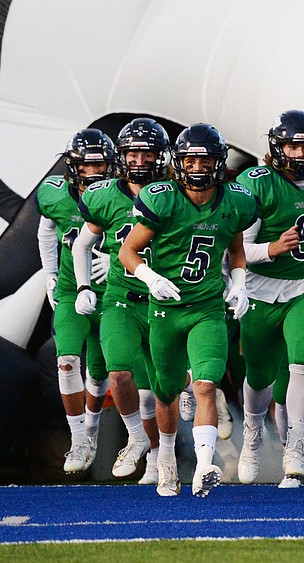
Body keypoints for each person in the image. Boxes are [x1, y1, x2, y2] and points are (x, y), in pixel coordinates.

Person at [119, 123, 257, 497]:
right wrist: (149, 278)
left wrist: (240, 283)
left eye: (205, 159)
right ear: (179, 162)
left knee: (206, 386)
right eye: (191, 159)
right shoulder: (162, 198)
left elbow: (236, 248)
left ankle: (203, 465)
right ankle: (165, 459)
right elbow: (126, 251)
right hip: (165, 310)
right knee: (165, 394)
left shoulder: (235, 201)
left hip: (207, 308)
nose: (197, 166)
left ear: (218, 162)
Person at [235, 110, 304, 487]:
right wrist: (272, 247)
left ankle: (295, 450)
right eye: (293, 145)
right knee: (259, 375)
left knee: (303, 364)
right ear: (276, 148)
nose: (301, 153)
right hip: (261, 289)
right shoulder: (255, 185)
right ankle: (253, 433)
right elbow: (235, 249)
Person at [71, 118, 170, 484]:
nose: (140, 160)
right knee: (118, 372)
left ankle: (168, 453)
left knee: (167, 386)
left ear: (161, 157)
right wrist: (83, 287)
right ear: (122, 156)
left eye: (147, 153)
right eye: (133, 153)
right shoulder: (105, 195)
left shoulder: (175, 192)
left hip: (167, 301)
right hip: (121, 298)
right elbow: (81, 244)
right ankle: (136, 436)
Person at [36, 128, 115, 474]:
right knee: (67, 360)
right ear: (73, 167)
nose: (94, 172)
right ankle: (78, 439)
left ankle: (93, 432)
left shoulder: (123, 194)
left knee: (101, 372)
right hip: (71, 291)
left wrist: (120, 259)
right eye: (87, 165)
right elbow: (46, 232)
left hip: (114, 292)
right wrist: (50, 274)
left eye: (100, 165)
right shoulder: (55, 196)